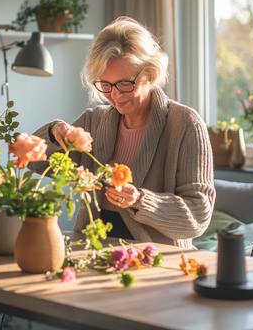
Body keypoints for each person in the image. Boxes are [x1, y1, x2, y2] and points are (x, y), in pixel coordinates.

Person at [29, 16, 215, 248]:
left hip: (155, 256)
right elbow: (33, 161)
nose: (115, 96)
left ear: (150, 74)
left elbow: (198, 216)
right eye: (105, 85)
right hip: (91, 247)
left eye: (125, 83)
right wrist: (53, 131)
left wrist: (140, 201)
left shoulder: (185, 124)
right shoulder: (94, 121)